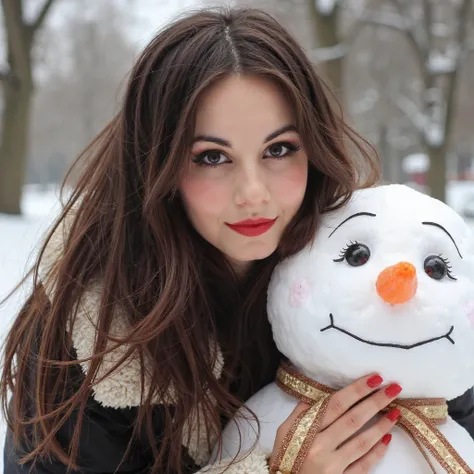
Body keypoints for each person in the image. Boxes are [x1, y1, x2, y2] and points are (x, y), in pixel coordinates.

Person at [1, 6, 473, 474]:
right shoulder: (95, 329)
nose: (254, 194)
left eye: (279, 149)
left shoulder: (361, 264)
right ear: (155, 166)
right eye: (211, 157)